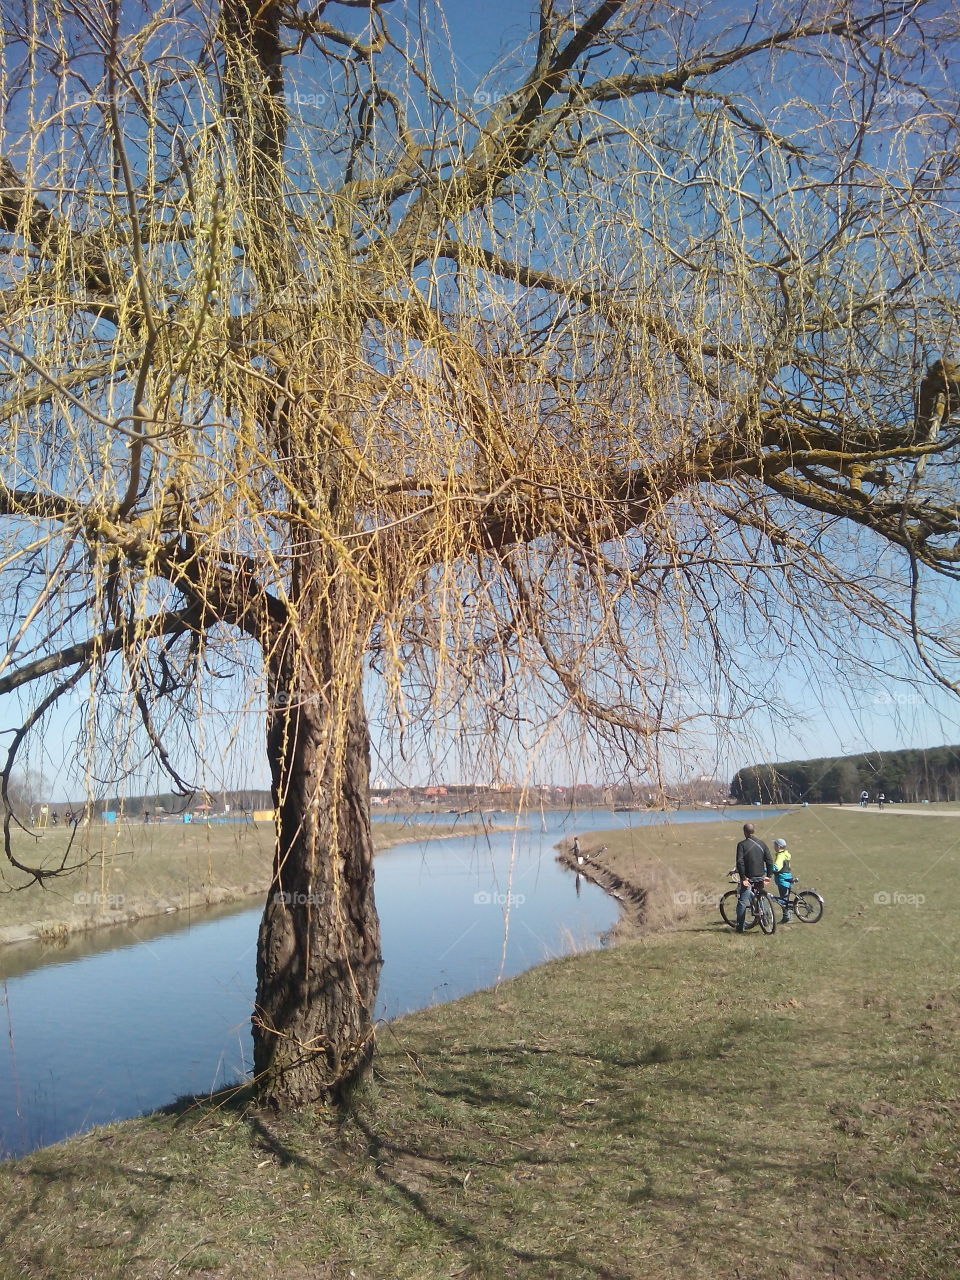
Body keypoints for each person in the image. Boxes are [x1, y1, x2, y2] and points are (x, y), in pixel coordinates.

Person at [734, 822, 774, 933]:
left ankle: (740, 927)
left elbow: (740, 862)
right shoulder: (762, 843)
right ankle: (765, 921)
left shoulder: (741, 845)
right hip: (761, 876)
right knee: (761, 896)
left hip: (749, 877)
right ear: (753, 831)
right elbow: (769, 861)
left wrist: (743, 878)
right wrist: (769, 876)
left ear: (744, 832)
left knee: (742, 901)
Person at [771, 837, 794, 923]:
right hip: (788, 876)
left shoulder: (780, 856)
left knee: (783, 900)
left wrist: (767, 869)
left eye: (775, 845)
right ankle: (788, 916)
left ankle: (786, 917)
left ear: (779, 846)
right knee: (786, 898)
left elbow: (777, 867)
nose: (774, 846)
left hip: (782, 879)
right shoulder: (786, 854)